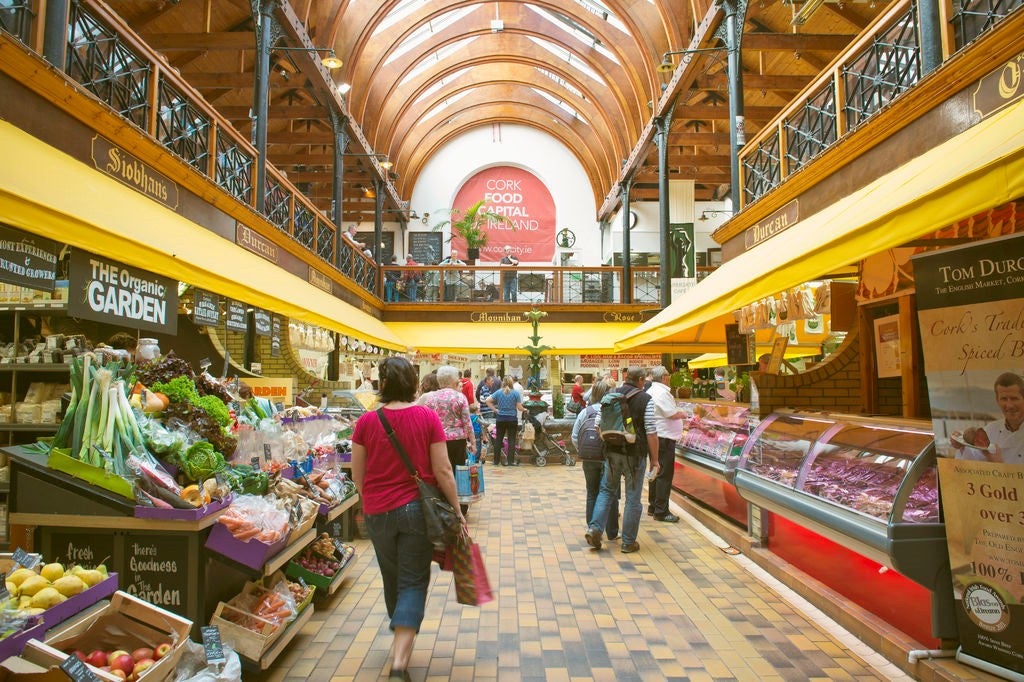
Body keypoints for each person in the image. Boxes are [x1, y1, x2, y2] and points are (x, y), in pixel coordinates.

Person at [349, 356, 465, 681]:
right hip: (417, 510)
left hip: (377, 511)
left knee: (392, 576)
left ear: (382, 384)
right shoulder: (427, 417)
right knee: (413, 580)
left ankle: (401, 631)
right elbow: (443, 470)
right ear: (412, 384)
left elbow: (358, 476)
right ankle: (400, 662)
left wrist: (369, 500)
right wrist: (456, 509)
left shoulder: (366, 422)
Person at [585, 366, 658, 554]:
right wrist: (655, 460)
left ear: (626, 378)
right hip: (635, 455)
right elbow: (651, 431)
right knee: (633, 498)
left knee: (606, 491)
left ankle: (594, 529)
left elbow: (597, 425)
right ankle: (628, 542)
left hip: (611, 453)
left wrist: (610, 442)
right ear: (641, 380)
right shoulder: (645, 399)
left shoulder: (611, 395)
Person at [419, 365, 476, 514]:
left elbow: (426, 421)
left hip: (436, 441)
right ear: (452, 380)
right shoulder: (459, 397)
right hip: (457, 441)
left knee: (439, 471)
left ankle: (441, 504)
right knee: (458, 472)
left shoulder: (431, 398)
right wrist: (473, 443)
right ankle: (460, 506)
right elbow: (467, 422)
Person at [571, 377, 619, 541]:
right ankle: (612, 532)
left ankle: (592, 527)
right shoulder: (612, 410)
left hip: (589, 459)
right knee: (609, 493)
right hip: (607, 458)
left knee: (592, 492)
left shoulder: (586, 412)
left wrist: (583, 451)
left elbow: (575, 436)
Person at [955, 372, 1024, 464]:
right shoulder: (991, 429)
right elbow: (971, 456)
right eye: (1004, 399)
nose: (1009, 405)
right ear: (997, 400)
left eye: (1014, 398)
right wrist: (961, 445)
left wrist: (998, 464)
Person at [646, 365, 685, 522]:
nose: (670, 377)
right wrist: (684, 413)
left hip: (657, 437)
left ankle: (653, 505)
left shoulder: (652, 391)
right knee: (664, 474)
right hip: (664, 438)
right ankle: (661, 511)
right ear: (663, 377)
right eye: (668, 375)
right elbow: (672, 414)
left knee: (655, 471)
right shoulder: (661, 392)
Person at [486, 375, 523, 466]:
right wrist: (524, 409)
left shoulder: (498, 392)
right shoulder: (515, 393)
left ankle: (496, 461)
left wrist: (495, 410)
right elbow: (519, 407)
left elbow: (487, 401)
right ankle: (510, 461)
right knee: (511, 440)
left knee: (498, 439)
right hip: (512, 419)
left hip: (500, 419)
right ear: (511, 382)